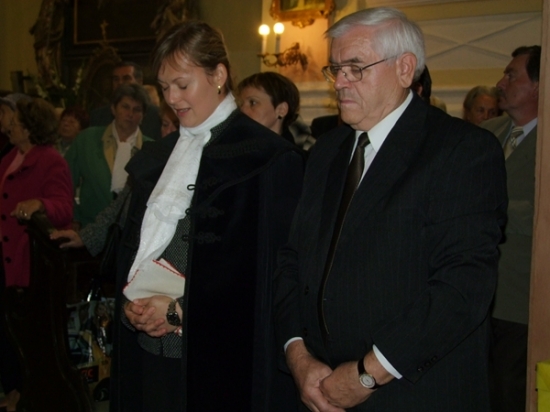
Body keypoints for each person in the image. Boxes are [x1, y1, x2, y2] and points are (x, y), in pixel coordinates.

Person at [273, 7, 507, 412]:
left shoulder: (461, 150)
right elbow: (293, 260)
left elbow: (463, 286)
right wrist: (298, 355)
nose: (339, 82)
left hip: (414, 392)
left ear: (404, 69)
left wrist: (368, 373)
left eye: (355, 68)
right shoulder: (327, 151)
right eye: (336, 69)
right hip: (320, 386)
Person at [110, 20, 304, 412]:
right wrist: (133, 303)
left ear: (218, 75)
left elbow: (271, 278)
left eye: (182, 85)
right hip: (149, 350)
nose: (172, 98)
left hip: (217, 362)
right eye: (164, 87)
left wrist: (178, 311)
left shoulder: (267, 157)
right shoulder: (162, 154)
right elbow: (137, 245)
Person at [0, 97, 73, 412]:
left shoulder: (50, 160)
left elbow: (64, 207)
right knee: (5, 329)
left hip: (25, 259)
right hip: (3, 254)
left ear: (30, 128)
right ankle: (13, 389)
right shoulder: (10, 157)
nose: (9, 126)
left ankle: (23, 392)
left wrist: (40, 204)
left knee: (24, 333)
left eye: (15, 122)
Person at [479, 45, 540, 412]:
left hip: (521, 299)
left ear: (538, 85)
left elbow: (541, 213)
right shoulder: (488, 133)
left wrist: (489, 209)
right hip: (477, 293)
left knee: (509, 392)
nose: (501, 83)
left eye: (512, 75)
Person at [65, 83, 152, 228]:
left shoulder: (151, 149)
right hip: (88, 225)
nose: (130, 114)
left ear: (143, 116)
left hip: (133, 231)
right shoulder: (87, 139)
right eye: (125, 107)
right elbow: (65, 184)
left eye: (137, 110)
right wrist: (74, 218)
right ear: (113, 109)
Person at [238, 71, 315, 149]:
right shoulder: (235, 145)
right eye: (241, 104)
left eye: (253, 103)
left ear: (281, 110)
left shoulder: (307, 151)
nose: (242, 110)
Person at [89, 62, 162, 140]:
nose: (120, 83)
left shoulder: (157, 115)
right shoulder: (98, 116)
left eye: (126, 78)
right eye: (116, 79)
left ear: (139, 82)